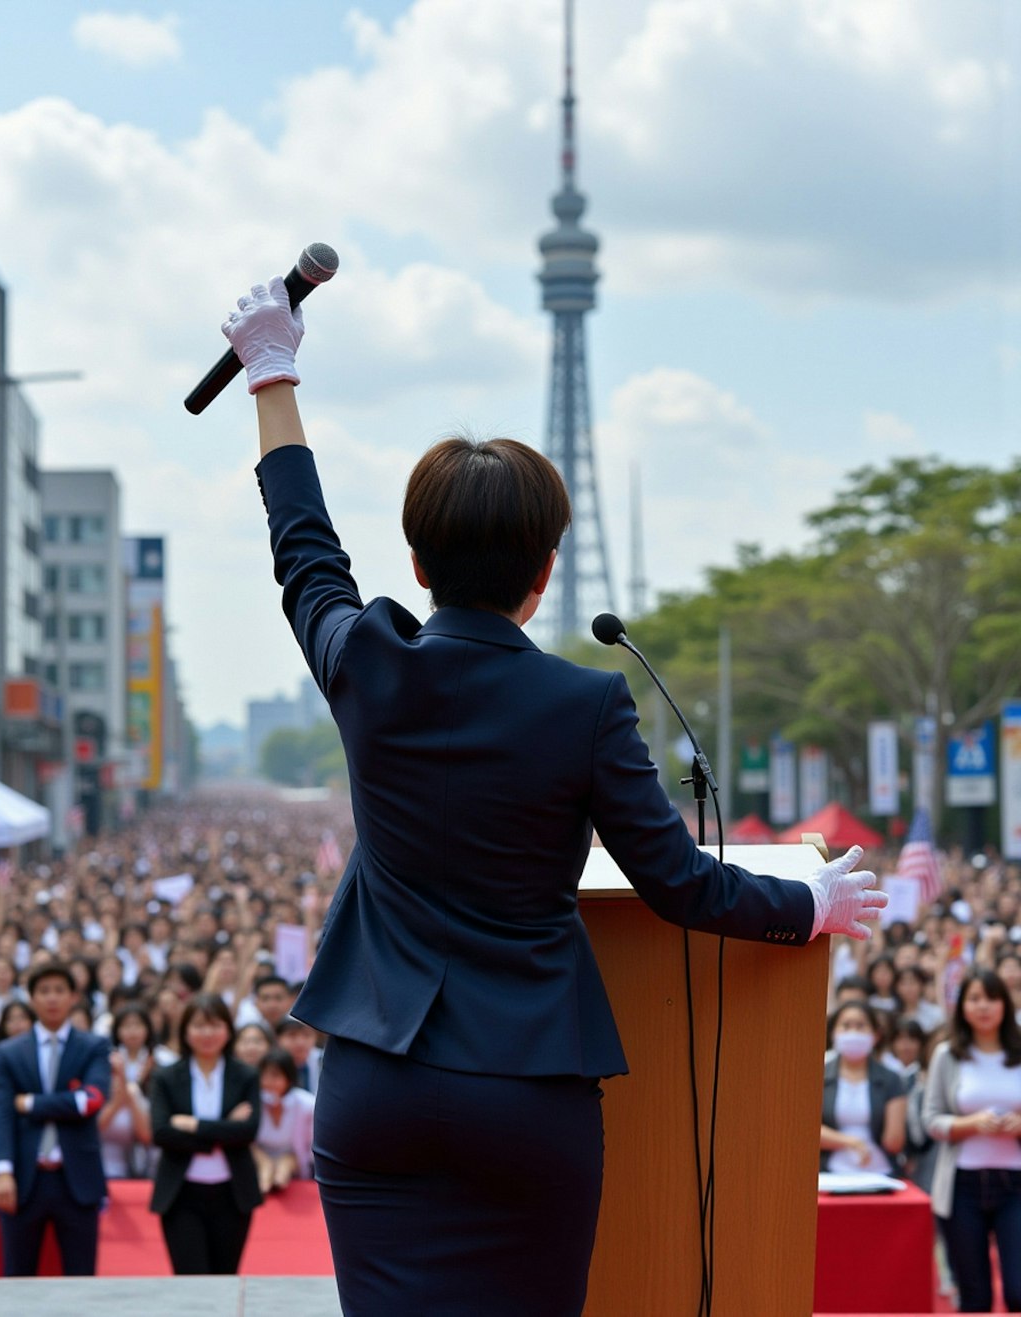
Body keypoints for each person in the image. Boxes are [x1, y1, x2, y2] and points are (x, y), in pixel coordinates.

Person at [220, 277, 888, 1317]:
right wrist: (808, 905)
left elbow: (302, 546)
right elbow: (676, 884)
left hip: (377, 1085)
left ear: (415, 563)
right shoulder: (585, 703)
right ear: (544, 572)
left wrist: (273, 370)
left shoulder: (362, 661)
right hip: (526, 1089)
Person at [0, 961, 110, 1275]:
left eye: (60, 990)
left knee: (81, 1281)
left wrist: (31, 1103)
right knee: (17, 1280)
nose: (52, 998)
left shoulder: (94, 1046)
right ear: (32, 999)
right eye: (44, 991)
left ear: (73, 997)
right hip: (23, 1179)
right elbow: (2, 1112)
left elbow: (90, 1101)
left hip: (76, 1179)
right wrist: (2, 1170)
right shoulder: (8, 1052)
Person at [923, 968, 1021, 1311]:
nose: (983, 1007)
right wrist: (971, 1123)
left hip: (1016, 1184)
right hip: (961, 1186)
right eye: (974, 998)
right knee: (974, 1297)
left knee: (1017, 1290)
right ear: (962, 1005)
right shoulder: (947, 1055)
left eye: (991, 998)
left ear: (1005, 1005)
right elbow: (930, 1119)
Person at [148, 992, 261, 1274]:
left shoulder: (245, 1075)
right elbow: (162, 1132)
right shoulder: (166, 1077)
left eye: (215, 1025)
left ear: (228, 1030)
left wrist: (194, 1125)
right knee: (191, 1280)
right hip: (182, 1193)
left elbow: (248, 1131)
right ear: (185, 1031)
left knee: (225, 1277)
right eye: (199, 1025)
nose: (207, 1033)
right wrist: (224, 1128)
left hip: (232, 1194)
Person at [820, 999, 907, 1175]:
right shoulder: (818, 1076)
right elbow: (806, 1131)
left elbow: (895, 1142)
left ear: (876, 1035)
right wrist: (851, 1142)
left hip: (880, 1173)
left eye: (861, 1026)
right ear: (833, 1033)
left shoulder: (891, 1079)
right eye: (846, 1026)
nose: (853, 1032)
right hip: (829, 1173)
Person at [98, 1006, 154, 1179]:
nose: (132, 1031)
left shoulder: (162, 1061)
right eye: (126, 1026)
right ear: (117, 1030)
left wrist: (130, 1092)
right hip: (110, 1144)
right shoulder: (105, 1061)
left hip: (148, 1145)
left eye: (137, 1025)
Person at [252, 1047, 315, 1194]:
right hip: (259, 1161)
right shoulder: (252, 1102)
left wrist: (290, 1163)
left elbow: (313, 1148)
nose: (267, 1082)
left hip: (294, 1163)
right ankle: (265, 1175)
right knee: (264, 1168)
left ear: (288, 1077)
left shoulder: (307, 1105)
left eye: (275, 1075)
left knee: (284, 1167)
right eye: (263, 1075)